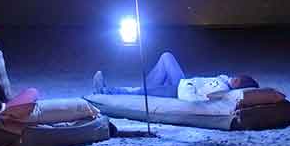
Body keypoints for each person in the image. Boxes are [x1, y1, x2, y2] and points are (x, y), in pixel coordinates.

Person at [91, 51, 258, 100]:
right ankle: (147, 86)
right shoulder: (223, 80)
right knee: (166, 56)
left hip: (178, 91)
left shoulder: (223, 90)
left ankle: (105, 92)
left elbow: (204, 95)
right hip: (182, 82)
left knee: (139, 93)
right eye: (239, 77)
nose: (237, 79)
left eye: (240, 82)